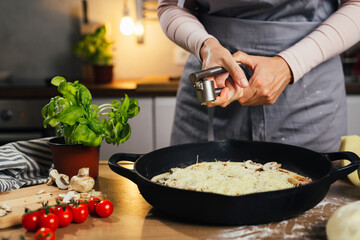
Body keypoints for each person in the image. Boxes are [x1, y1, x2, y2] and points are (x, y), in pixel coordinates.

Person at [158, 0, 360, 152]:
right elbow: (170, 6)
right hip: (212, 79)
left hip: (309, 87)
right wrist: (205, 46)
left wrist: (289, 65)